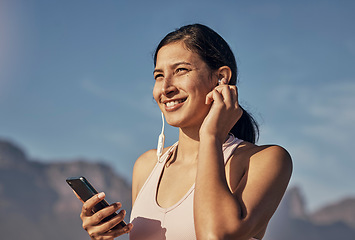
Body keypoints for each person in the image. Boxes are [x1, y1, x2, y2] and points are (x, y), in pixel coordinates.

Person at [77, 23, 293, 240]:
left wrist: (211, 136)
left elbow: (215, 235)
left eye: (181, 70)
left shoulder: (265, 160)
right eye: (159, 76)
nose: (166, 88)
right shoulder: (147, 165)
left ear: (221, 78)